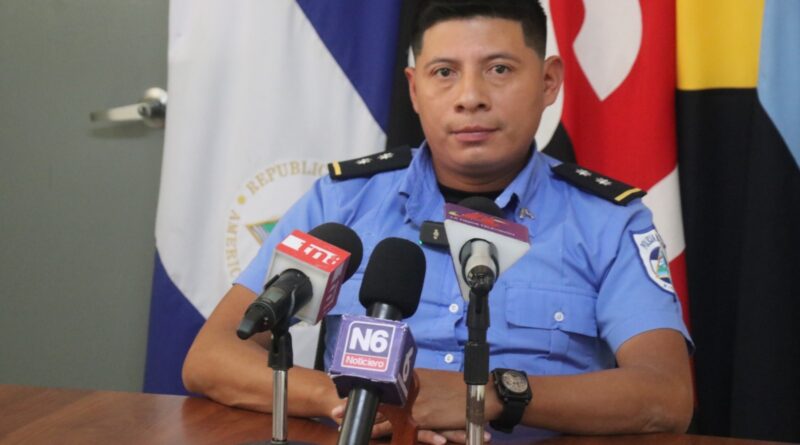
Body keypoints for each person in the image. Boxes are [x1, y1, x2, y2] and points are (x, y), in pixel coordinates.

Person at [182, 1, 693, 443]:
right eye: (444, 72)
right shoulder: (342, 203)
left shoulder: (608, 221)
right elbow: (213, 356)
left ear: (548, 81)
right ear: (414, 88)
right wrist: (348, 400)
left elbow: (665, 394)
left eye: (499, 69)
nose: (470, 96)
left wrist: (490, 396)